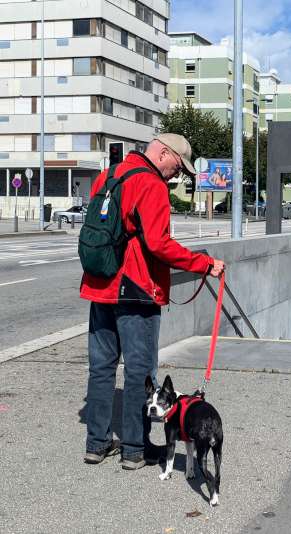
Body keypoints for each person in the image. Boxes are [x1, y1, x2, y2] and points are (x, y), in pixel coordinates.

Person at [80, 133, 225, 470]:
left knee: (101, 369)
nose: (178, 174)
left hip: (101, 284)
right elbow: (158, 244)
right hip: (137, 287)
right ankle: (134, 449)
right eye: (178, 166)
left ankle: (96, 444)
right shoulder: (151, 184)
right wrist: (203, 263)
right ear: (163, 153)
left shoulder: (109, 175)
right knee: (139, 372)